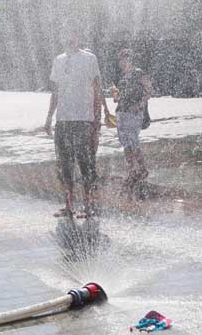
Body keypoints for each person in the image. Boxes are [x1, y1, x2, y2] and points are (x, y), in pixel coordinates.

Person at [44, 27, 103, 219]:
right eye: (66, 35)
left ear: (78, 37)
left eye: (73, 35)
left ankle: (89, 205)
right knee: (64, 165)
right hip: (63, 120)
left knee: (86, 164)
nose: (70, 38)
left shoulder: (89, 59)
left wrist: (97, 121)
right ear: (62, 38)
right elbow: (56, 91)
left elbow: (97, 89)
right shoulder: (59, 60)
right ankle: (68, 206)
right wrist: (49, 117)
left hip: (84, 120)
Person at [112, 49, 152, 193]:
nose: (122, 62)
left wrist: (140, 104)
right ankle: (132, 170)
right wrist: (116, 96)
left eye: (125, 59)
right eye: (121, 60)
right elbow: (119, 96)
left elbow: (149, 90)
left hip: (134, 112)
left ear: (130, 59)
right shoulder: (122, 77)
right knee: (126, 143)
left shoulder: (138, 73)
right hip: (122, 111)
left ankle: (142, 168)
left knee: (133, 140)